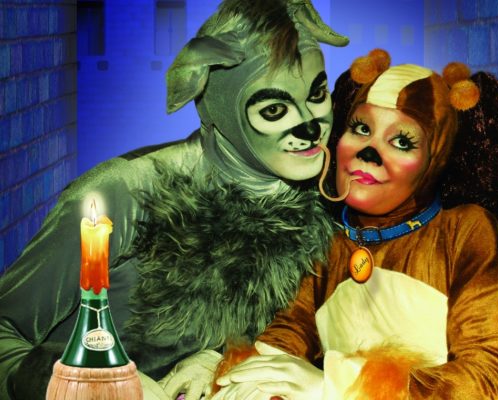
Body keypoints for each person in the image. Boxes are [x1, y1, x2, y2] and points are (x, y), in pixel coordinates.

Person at [0, 1, 349, 399]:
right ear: (224, 110)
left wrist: (221, 359)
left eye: (317, 94)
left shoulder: (326, 197)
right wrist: (86, 382)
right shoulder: (126, 192)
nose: (309, 126)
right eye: (274, 109)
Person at [215, 49, 498, 399]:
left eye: (401, 141)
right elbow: (289, 332)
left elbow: (489, 380)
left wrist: (335, 386)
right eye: (361, 128)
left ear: (435, 161)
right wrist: (232, 373)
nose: (368, 151)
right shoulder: (329, 238)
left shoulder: (465, 232)